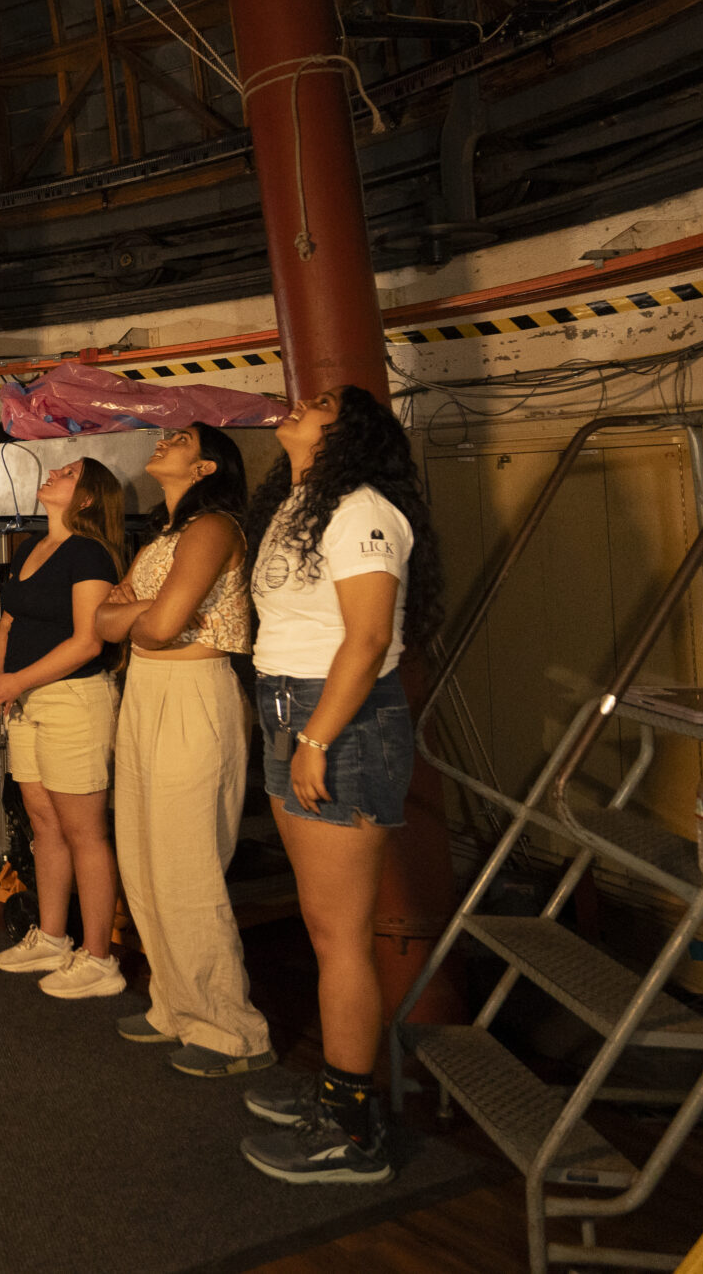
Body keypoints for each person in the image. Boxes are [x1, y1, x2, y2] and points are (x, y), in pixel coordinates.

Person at [237, 386, 443, 1185]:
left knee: (338, 934)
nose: (295, 403)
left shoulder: (361, 510)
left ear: (347, 430)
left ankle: (353, 1128)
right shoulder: (299, 504)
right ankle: (336, 1089)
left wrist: (317, 737)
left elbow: (367, 638)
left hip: (338, 723)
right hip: (295, 709)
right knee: (327, 928)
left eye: (317, 400)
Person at [95, 423, 274, 1077]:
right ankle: (173, 1003)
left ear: (205, 468)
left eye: (180, 438)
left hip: (196, 691)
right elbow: (101, 623)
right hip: (146, 688)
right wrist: (138, 614)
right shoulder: (164, 538)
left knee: (187, 865)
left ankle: (232, 1029)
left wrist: (136, 613)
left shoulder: (215, 527)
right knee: (142, 857)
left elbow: (162, 624)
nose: (165, 440)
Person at [0, 458, 126, 999]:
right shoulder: (30, 546)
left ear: (86, 499)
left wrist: (16, 682)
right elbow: (10, 621)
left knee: (84, 831)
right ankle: (54, 937)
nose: (53, 473)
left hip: (72, 698)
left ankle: (100, 957)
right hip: (26, 697)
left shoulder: (88, 553)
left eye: (67, 473)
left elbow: (89, 641)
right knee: (43, 825)